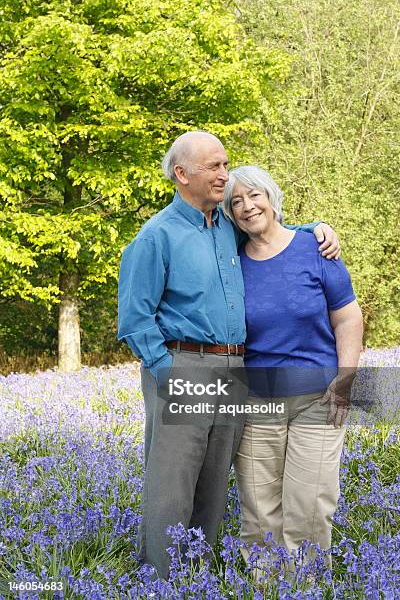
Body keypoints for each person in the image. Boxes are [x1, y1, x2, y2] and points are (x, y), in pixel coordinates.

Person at [117, 132, 341, 579]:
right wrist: (168, 372)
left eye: (225, 164)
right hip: (183, 363)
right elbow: (135, 319)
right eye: (214, 167)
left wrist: (314, 229)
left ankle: (197, 571)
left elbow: (267, 227)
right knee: (173, 479)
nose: (225, 175)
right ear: (182, 175)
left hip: (234, 366)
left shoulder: (223, 223)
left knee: (216, 477)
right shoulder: (157, 235)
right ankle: (163, 577)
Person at [222, 166, 363, 574]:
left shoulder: (315, 250)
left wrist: (346, 379)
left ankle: (304, 584)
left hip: (318, 397)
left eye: (255, 196)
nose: (248, 207)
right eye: (236, 202)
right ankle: (265, 584)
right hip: (255, 401)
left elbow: (348, 319)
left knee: (310, 501)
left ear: (272, 198)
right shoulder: (231, 263)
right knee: (259, 507)